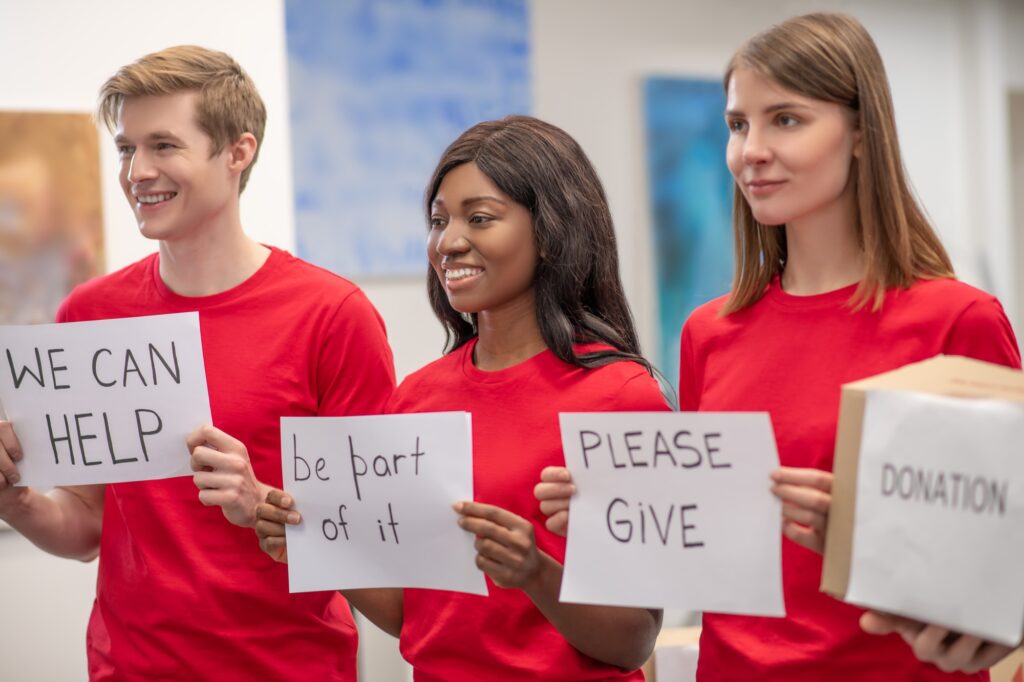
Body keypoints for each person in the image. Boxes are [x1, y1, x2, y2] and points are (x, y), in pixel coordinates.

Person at [536, 12, 1021, 682]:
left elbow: (998, 560)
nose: (750, 150)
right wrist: (610, 517)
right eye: (738, 124)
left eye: (785, 120)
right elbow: (715, 547)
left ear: (859, 133)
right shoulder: (709, 334)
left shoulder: (956, 320)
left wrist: (866, 539)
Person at [0, 45, 395, 680]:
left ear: (237, 152)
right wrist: (15, 502)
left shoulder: (332, 315)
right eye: (128, 149)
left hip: (289, 668)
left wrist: (258, 499)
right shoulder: (89, 314)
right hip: (129, 667)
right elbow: (85, 525)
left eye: (164, 146)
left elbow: (377, 544)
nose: (137, 171)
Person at [255, 115, 667, 681]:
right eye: (438, 220)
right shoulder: (417, 397)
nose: (448, 242)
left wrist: (535, 573)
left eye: (479, 218)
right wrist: (316, 544)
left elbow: (633, 640)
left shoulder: (620, 396)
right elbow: (416, 618)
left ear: (551, 232)